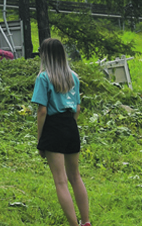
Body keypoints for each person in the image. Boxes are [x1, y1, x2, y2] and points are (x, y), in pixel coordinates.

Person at [31, 38, 90, 226]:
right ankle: (86, 221)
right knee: (75, 176)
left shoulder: (43, 78)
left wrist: (40, 140)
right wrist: (69, 126)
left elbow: (42, 111)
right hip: (70, 126)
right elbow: (77, 109)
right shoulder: (73, 76)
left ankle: (74, 224)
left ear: (45, 56)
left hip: (53, 126)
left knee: (61, 181)